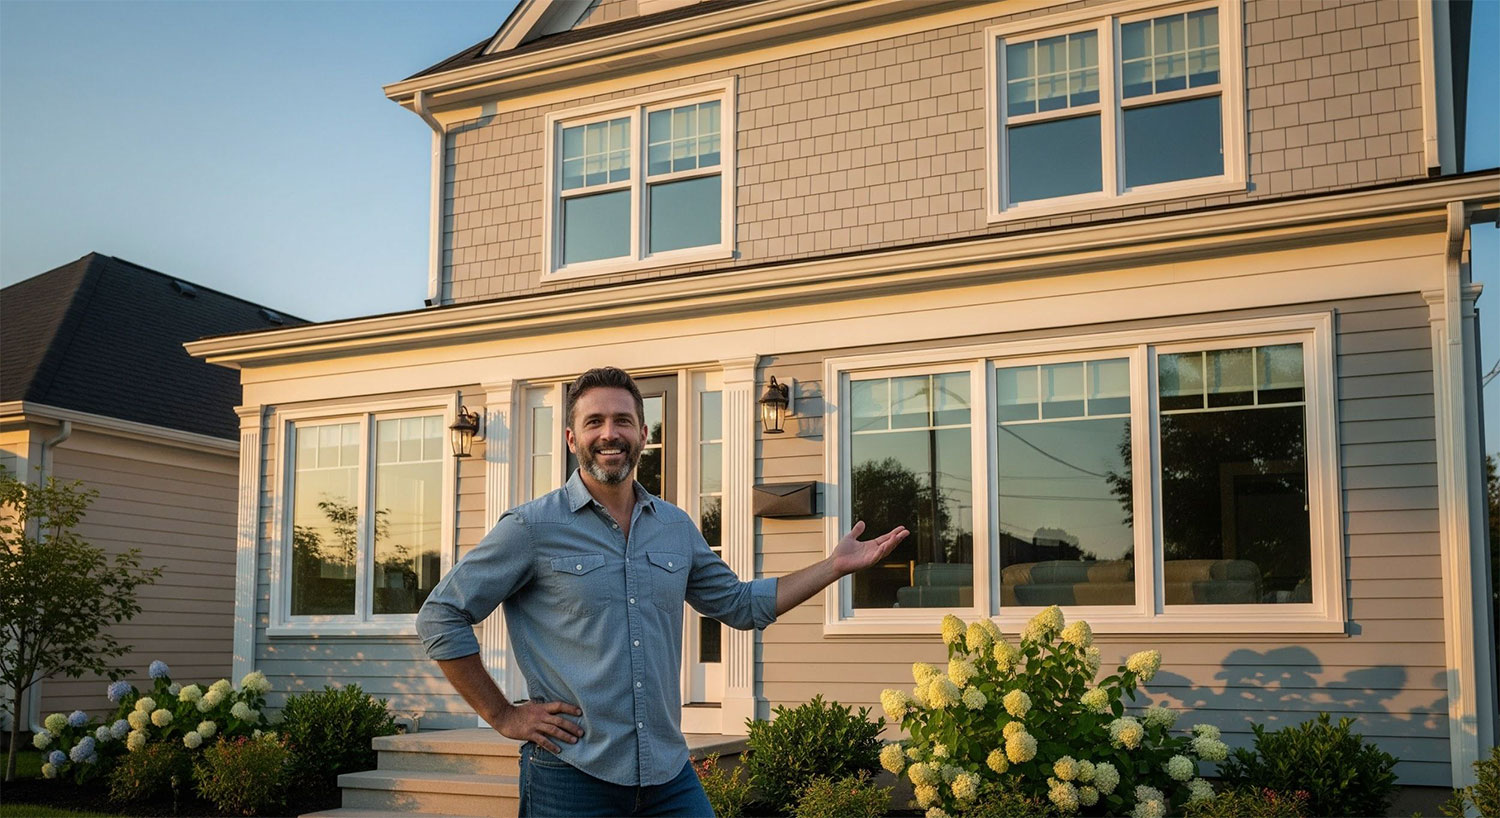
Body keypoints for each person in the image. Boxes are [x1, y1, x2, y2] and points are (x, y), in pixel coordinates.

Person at [416, 366, 908, 817]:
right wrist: (502, 714)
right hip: (572, 776)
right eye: (594, 422)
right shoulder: (530, 528)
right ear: (572, 438)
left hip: (668, 775)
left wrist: (835, 566)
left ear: (644, 435)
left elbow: (739, 605)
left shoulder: (674, 526)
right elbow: (440, 615)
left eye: (623, 421)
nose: (610, 433)